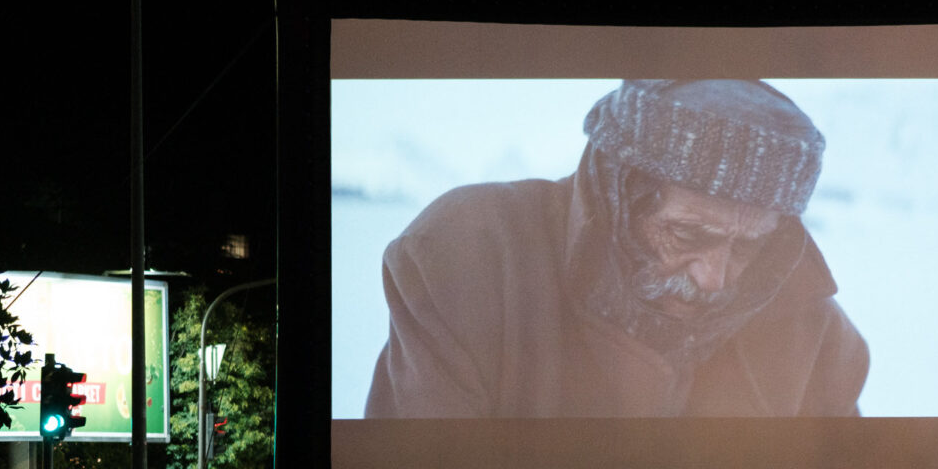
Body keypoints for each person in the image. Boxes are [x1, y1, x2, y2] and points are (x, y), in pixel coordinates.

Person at [365, 79, 869, 419]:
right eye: (688, 235)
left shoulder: (814, 335)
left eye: (748, 247)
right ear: (618, 197)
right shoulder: (467, 263)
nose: (714, 278)